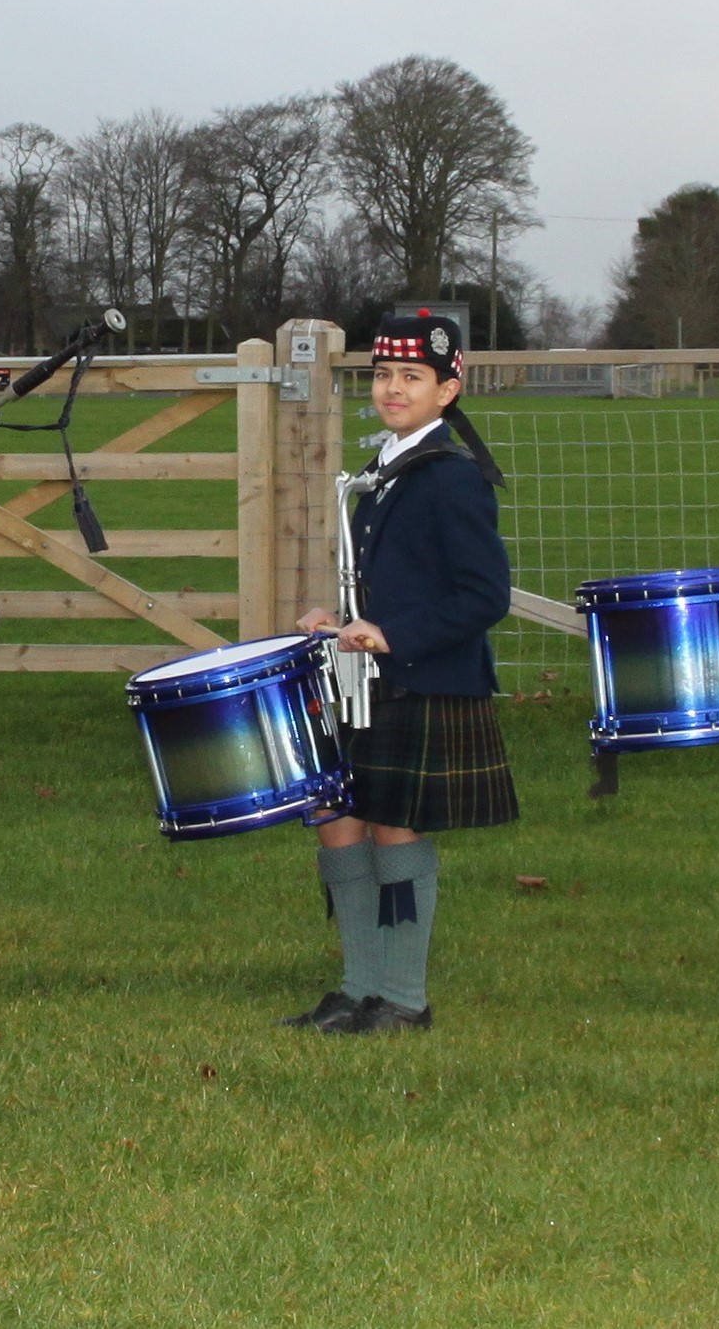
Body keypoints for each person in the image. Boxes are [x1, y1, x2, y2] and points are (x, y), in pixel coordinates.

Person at [286, 309, 515, 1035]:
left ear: (448, 388)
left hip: (424, 676)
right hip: (364, 679)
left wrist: (392, 636)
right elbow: (387, 578)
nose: (392, 388)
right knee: (335, 818)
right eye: (383, 375)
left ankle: (403, 997)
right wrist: (337, 615)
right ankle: (358, 986)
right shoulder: (381, 467)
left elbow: (484, 595)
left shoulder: (449, 476)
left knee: (395, 830)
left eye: (411, 377)